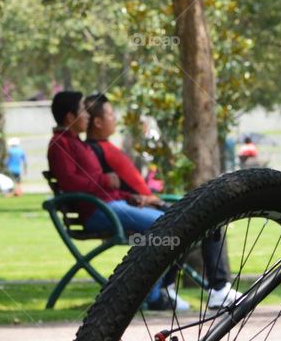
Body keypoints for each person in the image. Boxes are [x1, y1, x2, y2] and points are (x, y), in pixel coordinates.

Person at [84, 93, 240, 309]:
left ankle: (180, 287)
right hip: (129, 209)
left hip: (143, 204)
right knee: (193, 222)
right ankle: (216, 288)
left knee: (205, 218)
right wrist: (138, 199)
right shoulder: (94, 151)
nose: (115, 119)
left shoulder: (104, 148)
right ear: (98, 121)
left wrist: (144, 198)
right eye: (111, 114)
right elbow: (106, 189)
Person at [47, 90, 185, 311]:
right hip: (97, 212)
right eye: (83, 111)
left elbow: (103, 189)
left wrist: (131, 197)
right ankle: (153, 296)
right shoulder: (61, 144)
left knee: (165, 225)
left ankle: (153, 293)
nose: (88, 116)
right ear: (70, 117)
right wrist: (104, 179)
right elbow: (72, 184)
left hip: (109, 206)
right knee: (163, 227)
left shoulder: (77, 143)